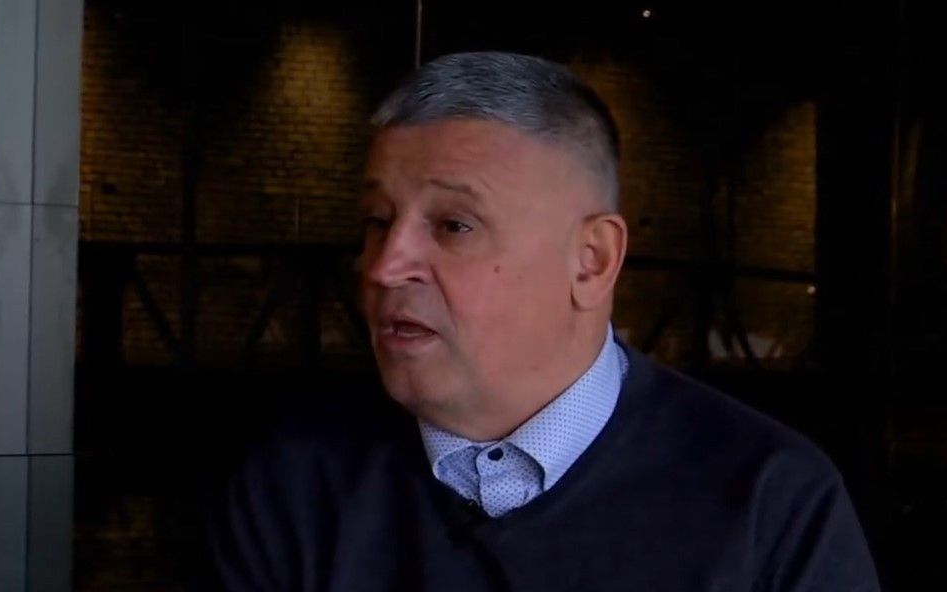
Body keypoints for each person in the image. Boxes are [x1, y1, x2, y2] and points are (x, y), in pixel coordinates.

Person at [208, 51, 881, 591]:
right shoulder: (294, 484)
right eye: (378, 221)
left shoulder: (771, 500)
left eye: (453, 225)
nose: (384, 267)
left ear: (591, 261)